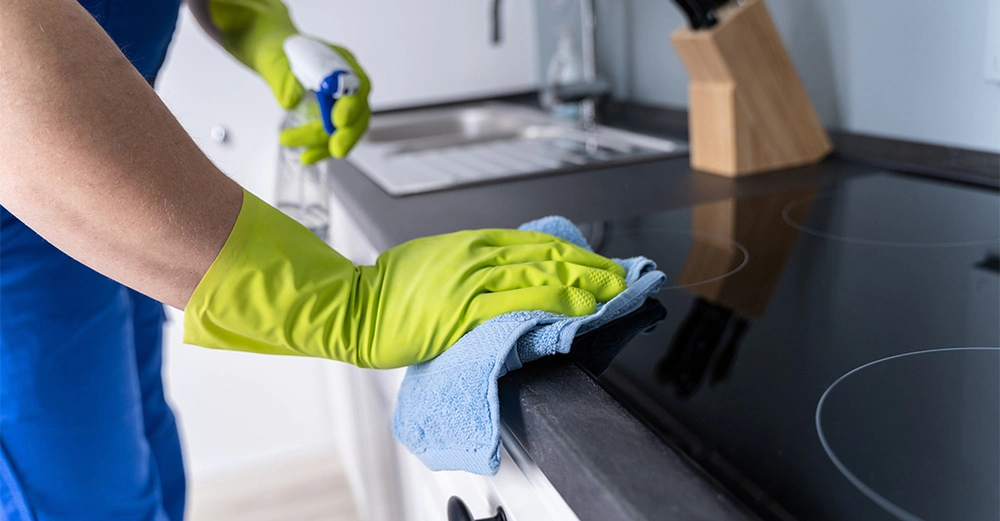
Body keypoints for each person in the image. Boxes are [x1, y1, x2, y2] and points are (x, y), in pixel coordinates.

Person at [0, 0, 628, 519]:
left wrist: (272, 35)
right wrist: (342, 301)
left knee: (147, 452)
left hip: (109, 194)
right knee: (84, 495)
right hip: (23, 234)